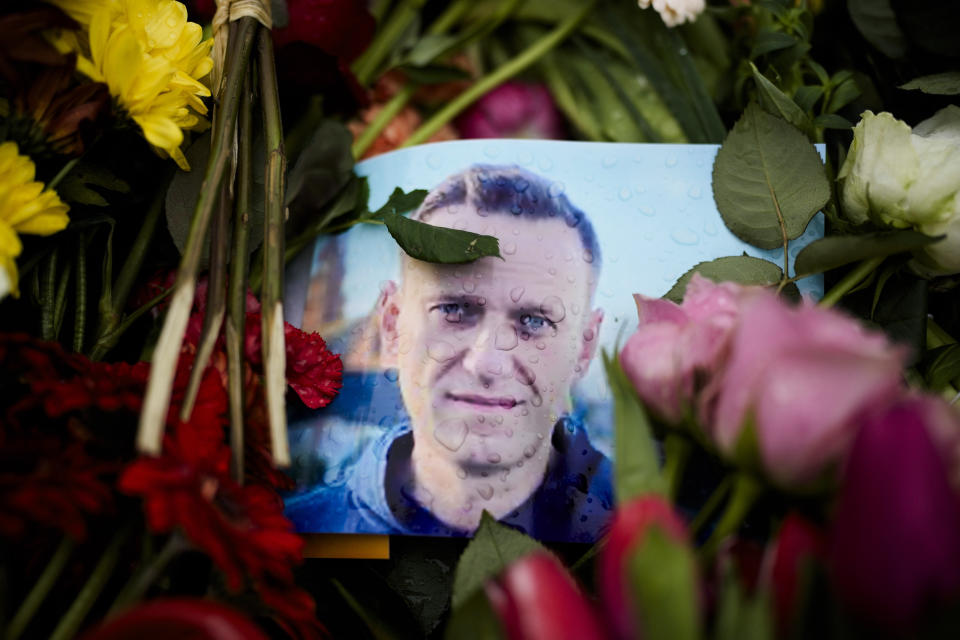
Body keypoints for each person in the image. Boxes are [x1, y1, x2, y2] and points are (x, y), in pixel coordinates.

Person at [285, 165, 613, 543]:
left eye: (534, 321)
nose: (487, 363)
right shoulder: (294, 541)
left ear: (585, 347)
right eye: (454, 310)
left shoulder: (668, 552)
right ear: (392, 325)